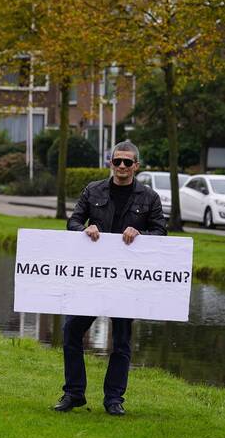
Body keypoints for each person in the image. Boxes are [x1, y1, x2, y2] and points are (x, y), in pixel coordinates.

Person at [54, 141, 166, 417]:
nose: (123, 167)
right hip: (92, 279)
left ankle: (114, 399)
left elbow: (161, 232)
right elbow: (72, 223)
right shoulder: (92, 190)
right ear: (111, 163)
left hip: (126, 283)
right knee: (71, 331)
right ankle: (74, 393)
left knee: (122, 341)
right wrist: (86, 228)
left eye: (128, 162)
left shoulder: (149, 197)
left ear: (137, 166)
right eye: (118, 161)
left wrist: (141, 236)